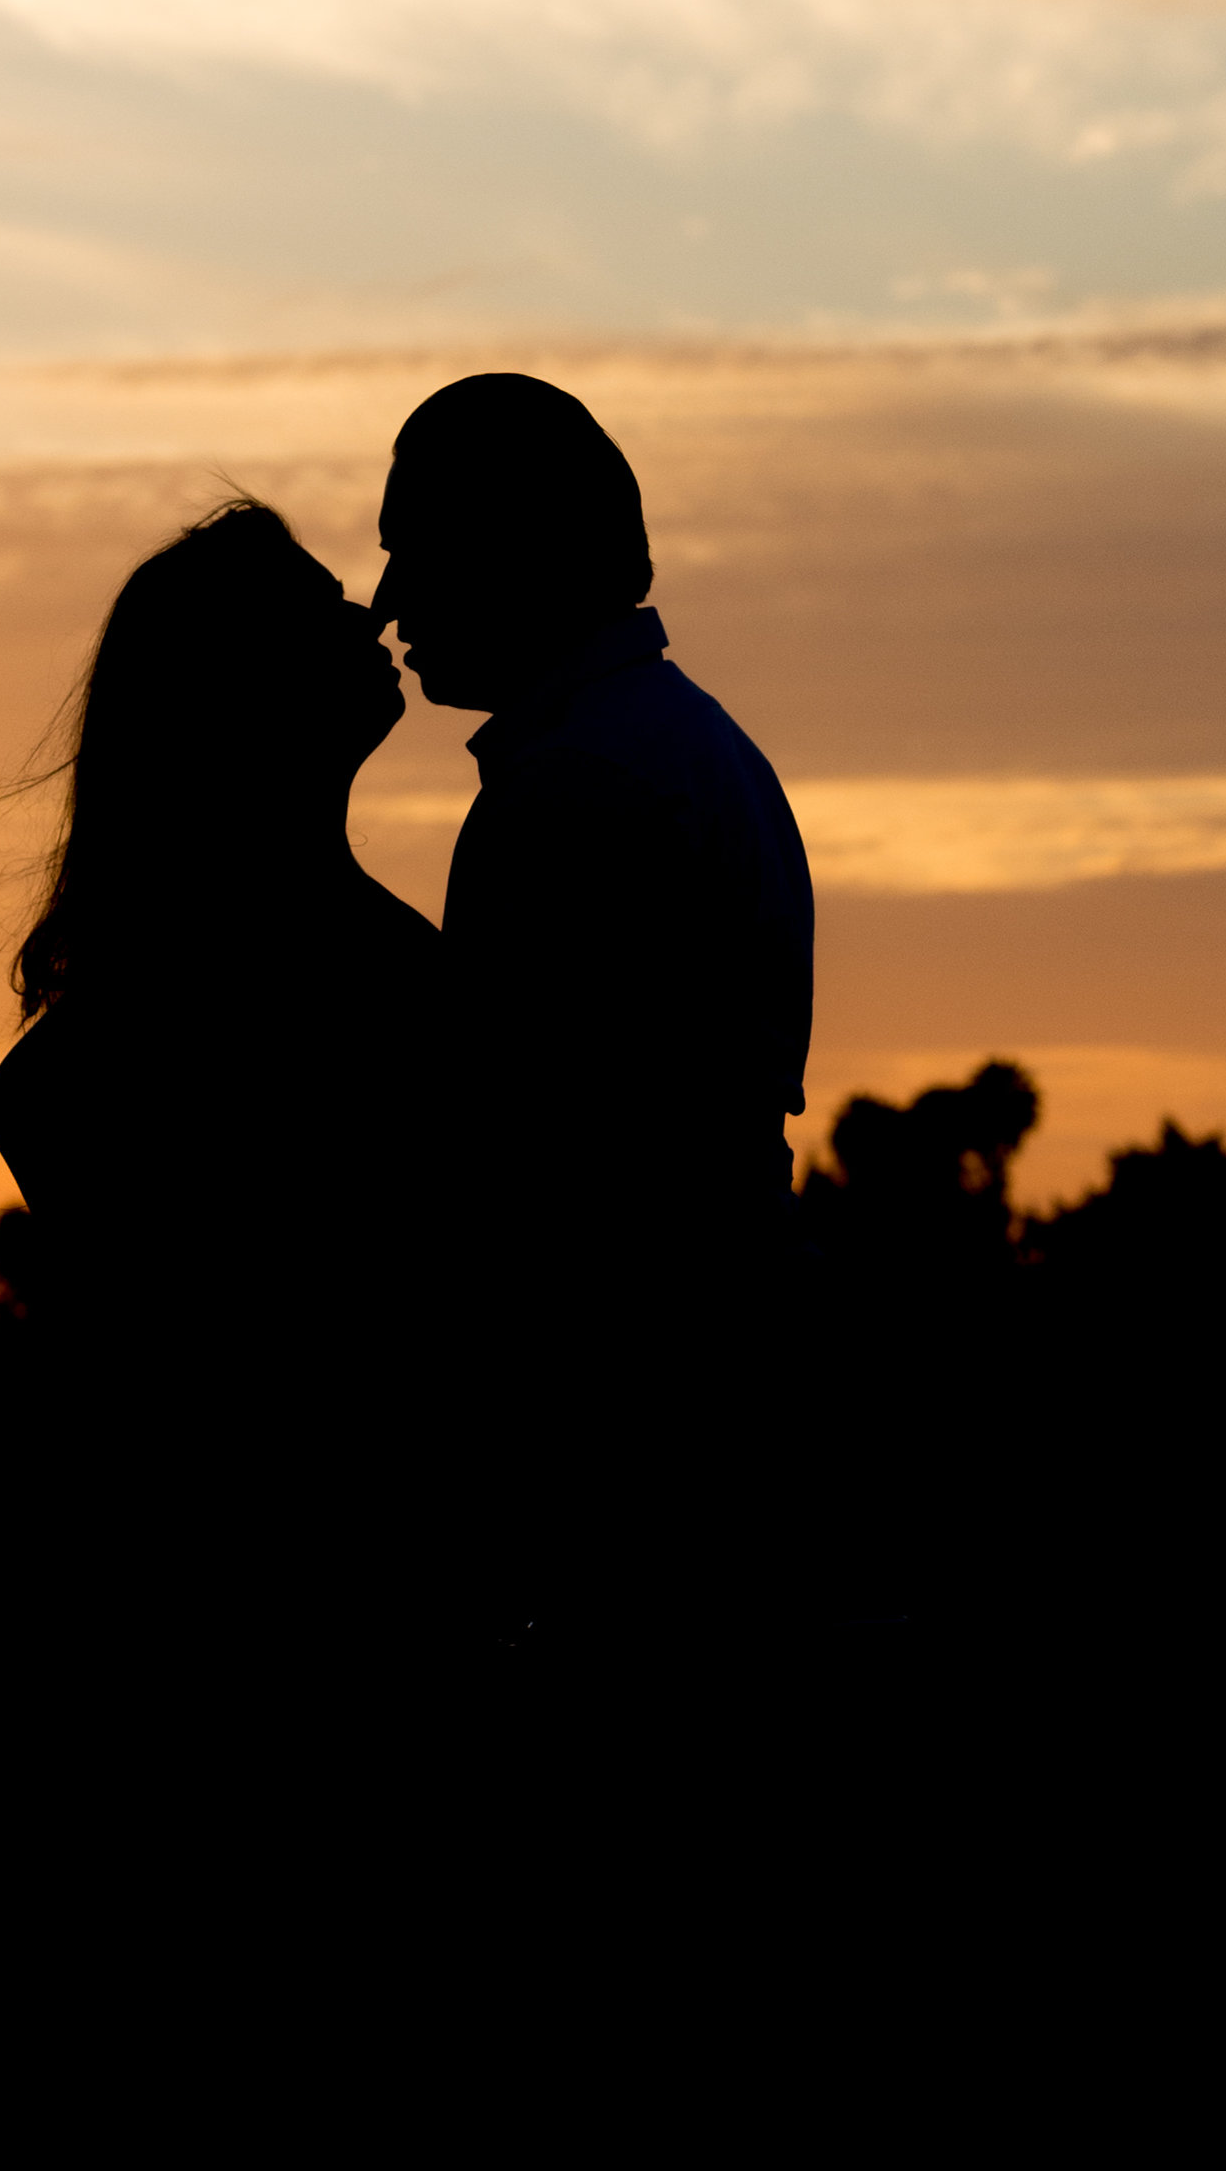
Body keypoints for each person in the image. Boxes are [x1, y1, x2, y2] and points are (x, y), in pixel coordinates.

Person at [372, 371, 813, 1652]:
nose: (391, 597)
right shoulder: (679, 744)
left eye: (414, 547)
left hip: (634, 1476)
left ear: (514, 550)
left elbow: (528, 1195)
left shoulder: (569, 794)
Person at [0, 498, 447, 1654]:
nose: (369, 611)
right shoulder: (120, 1059)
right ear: (238, 696)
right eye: (314, 607)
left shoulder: (91, 1056)